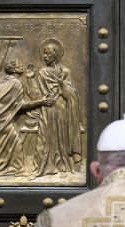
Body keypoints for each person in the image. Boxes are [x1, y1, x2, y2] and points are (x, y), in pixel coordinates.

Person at [0, 58, 55, 176]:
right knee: (14, 141)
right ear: (15, 69)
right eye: (19, 64)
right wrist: (41, 102)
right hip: (1, 119)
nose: (22, 66)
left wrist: (29, 79)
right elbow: (20, 106)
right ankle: (14, 169)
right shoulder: (16, 83)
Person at [27, 38, 83, 178]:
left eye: (47, 54)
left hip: (62, 109)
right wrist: (30, 79)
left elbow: (72, 93)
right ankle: (44, 166)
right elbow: (35, 96)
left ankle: (61, 164)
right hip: (47, 109)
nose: (44, 56)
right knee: (44, 139)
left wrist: (62, 85)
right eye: (44, 54)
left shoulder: (65, 72)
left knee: (61, 137)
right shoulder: (41, 73)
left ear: (55, 55)